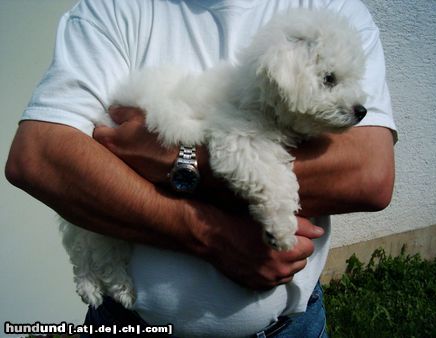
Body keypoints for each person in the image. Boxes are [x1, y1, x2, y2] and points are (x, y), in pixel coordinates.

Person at [5, 0, 396, 337]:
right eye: (329, 80)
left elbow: (371, 178)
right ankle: (96, 267)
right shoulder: (111, 11)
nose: (354, 102)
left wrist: (176, 161)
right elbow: (38, 158)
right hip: (124, 322)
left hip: (289, 327)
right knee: (94, 237)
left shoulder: (336, 9)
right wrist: (221, 229)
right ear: (283, 78)